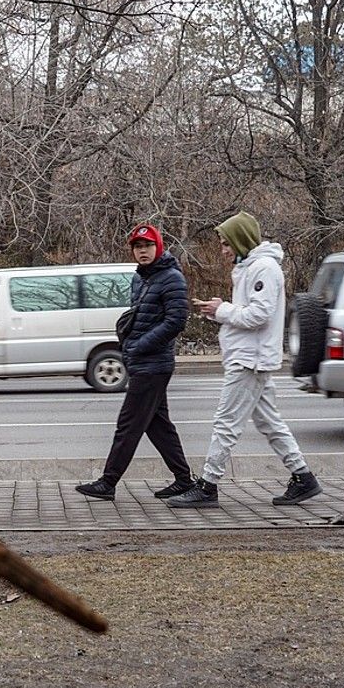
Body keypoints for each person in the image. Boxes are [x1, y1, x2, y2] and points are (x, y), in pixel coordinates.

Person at [168, 211, 321, 509]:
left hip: (250, 361)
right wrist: (219, 310)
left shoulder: (263, 268)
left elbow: (259, 315)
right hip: (250, 358)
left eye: (227, 243)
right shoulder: (252, 267)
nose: (223, 249)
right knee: (270, 423)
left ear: (241, 240)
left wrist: (222, 310)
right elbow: (250, 313)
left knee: (226, 423)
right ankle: (304, 477)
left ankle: (208, 484)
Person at [76, 225, 194, 502]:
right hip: (141, 361)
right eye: (137, 246)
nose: (142, 250)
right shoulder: (141, 279)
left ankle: (108, 482)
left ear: (159, 247)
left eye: (148, 245)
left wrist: (139, 346)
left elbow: (176, 320)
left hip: (154, 363)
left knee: (128, 424)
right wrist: (129, 343)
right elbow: (139, 316)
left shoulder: (171, 278)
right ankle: (184, 480)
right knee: (158, 425)